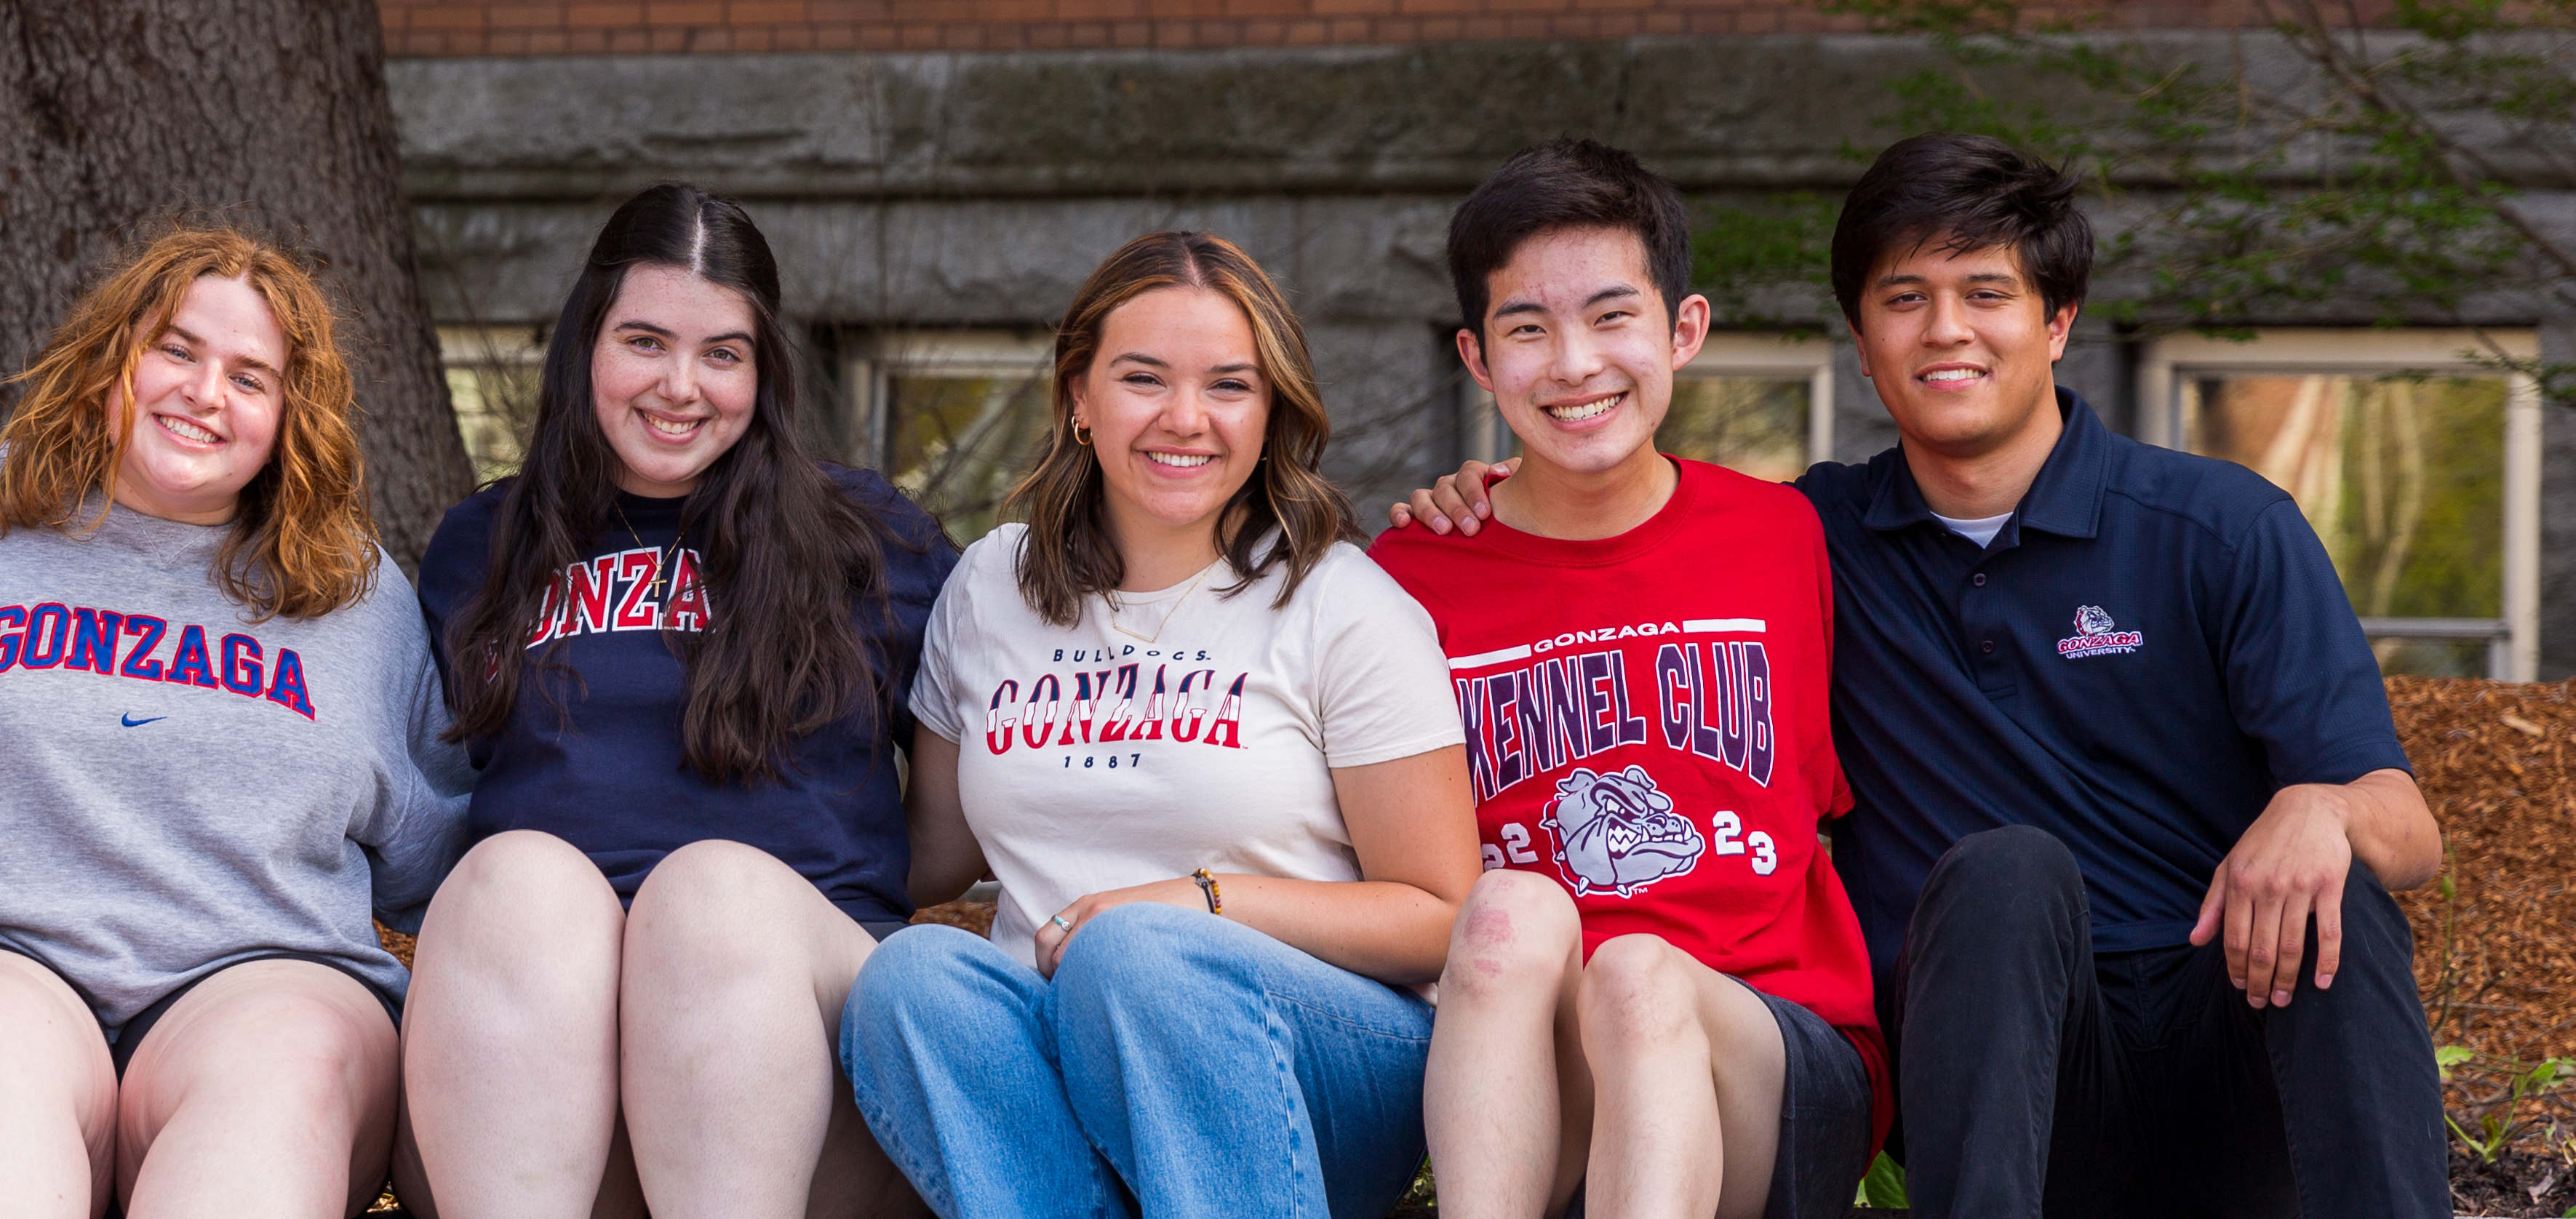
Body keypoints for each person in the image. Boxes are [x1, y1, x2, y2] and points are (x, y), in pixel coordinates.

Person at [1395, 133, 2446, 1219]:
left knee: (2344, 894)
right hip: (1998, 1066)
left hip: (2229, 1044)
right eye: (1905, 299)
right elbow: (1627, 534)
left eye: (1985, 293)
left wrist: (2326, 808)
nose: (1945, 330)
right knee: (2004, 873)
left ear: (2057, 320)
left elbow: (2408, 830)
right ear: (1860, 342)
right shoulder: (1812, 538)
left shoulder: (2217, 527)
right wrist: (1493, 497)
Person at [834, 229, 1482, 1219]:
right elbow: (923, 860)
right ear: (1079, 397)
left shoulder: (1340, 601)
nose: (1185, 418)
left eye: (1229, 385)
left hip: (1315, 1062)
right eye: (1143, 379)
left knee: (1138, 954)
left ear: (1270, 411)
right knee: (912, 975)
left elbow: (1439, 917)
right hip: (1053, 1051)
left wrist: (1200, 903)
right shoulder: (993, 584)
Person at [0, 227, 467, 1219]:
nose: (204, 392)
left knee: (284, 1066)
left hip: (268, 980)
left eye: (250, 378)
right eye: (176, 349)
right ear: (111, 358)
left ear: (290, 417)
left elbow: (441, 861)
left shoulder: (357, 597)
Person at [401, 181, 962, 1219]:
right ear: (585, 346)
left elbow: (956, 828)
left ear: (764, 371)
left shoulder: (871, 540)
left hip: (800, 1066)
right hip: (534, 1076)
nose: (680, 386)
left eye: (722, 354)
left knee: (709, 899)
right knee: (515, 876)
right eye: (645, 342)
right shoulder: (485, 547)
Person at [1368, 139, 1880, 1219]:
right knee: (1505, 910)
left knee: (1638, 974)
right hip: (1530, 1064)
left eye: (1611, 316)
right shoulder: (1408, 577)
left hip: (1764, 1043)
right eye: (1526, 329)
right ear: (1475, 358)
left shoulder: (1785, 536)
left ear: (1682, 329)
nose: (1573, 363)